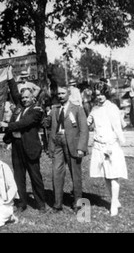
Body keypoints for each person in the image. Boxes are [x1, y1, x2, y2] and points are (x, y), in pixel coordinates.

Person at [0, 66, 47, 213]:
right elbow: (14, 91)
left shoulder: (37, 110)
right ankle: (22, 203)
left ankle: (41, 204)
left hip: (30, 147)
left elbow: (24, 123)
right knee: (18, 176)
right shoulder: (19, 106)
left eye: (27, 97)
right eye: (23, 97)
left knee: (35, 177)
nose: (25, 99)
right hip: (17, 146)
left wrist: (8, 125)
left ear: (33, 98)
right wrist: (10, 77)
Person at [87, 82, 128, 217]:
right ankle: (114, 200)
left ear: (106, 94)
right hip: (99, 145)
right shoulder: (94, 108)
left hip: (110, 144)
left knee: (113, 175)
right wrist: (86, 120)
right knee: (105, 175)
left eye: (102, 95)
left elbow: (117, 127)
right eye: (97, 95)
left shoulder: (112, 108)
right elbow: (90, 123)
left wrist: (115, 143)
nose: (100, 97)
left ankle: (114, 204)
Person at [48, 85, 89, 213]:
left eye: (63, 93)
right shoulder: (55, 110)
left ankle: (78, 203)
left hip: (72, 144)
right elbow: (51, 130)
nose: (60, 96)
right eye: (59, 94)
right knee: (56, 173)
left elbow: (84, 130)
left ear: (69, 94)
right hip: (58, 143)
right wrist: (51, 147)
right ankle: (57, 204)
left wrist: (81, 147)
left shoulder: (77, 109)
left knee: (75, 175)